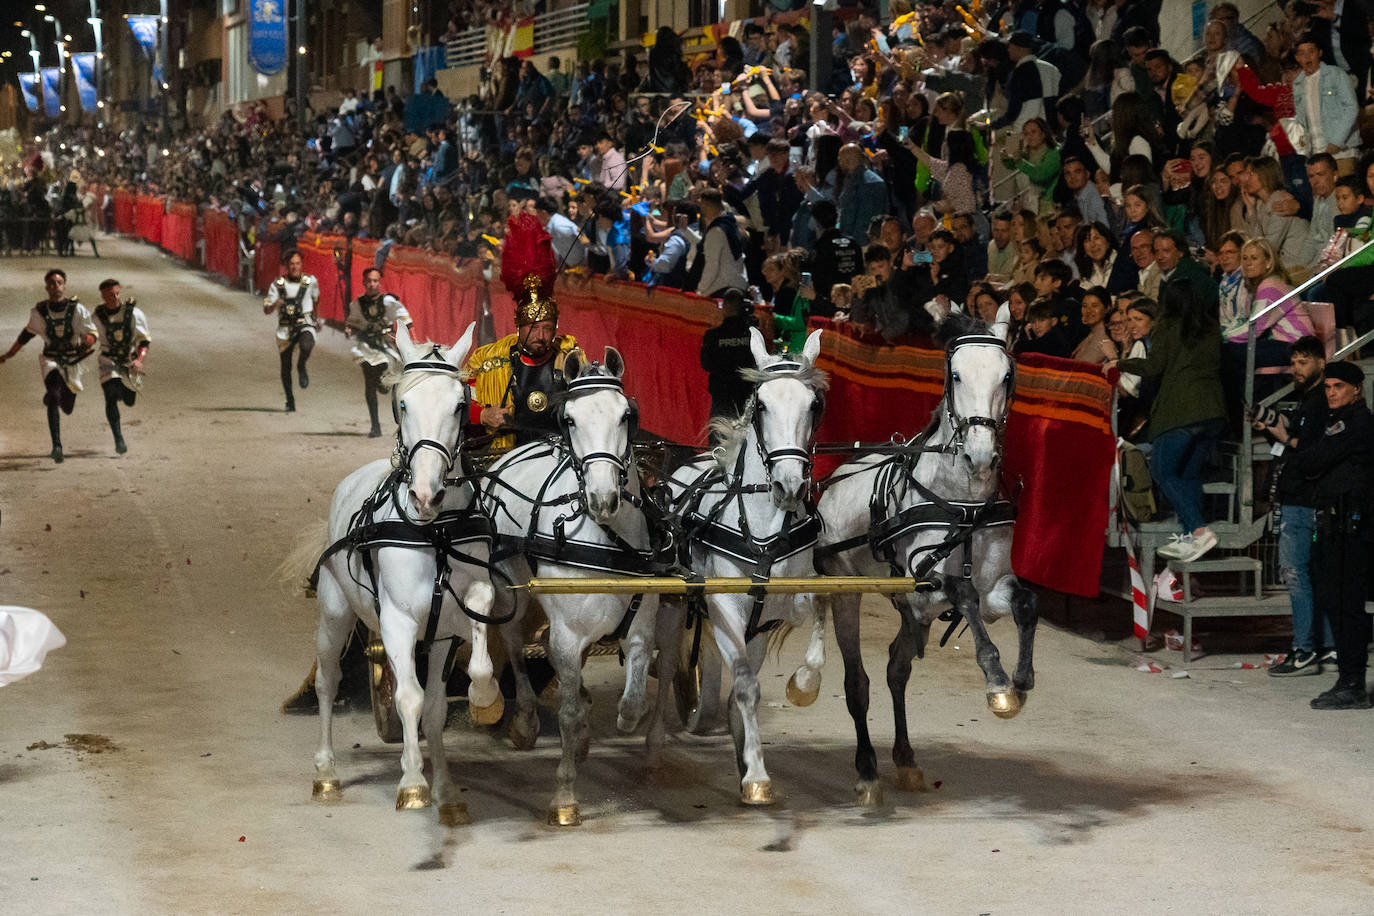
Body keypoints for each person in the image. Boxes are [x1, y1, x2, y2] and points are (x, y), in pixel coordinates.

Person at [1278, 360, 1374, 709]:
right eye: (1328, 386)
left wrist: (1308, 458)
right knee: (1336, 602)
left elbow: (1310, 461)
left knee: (1347, 606)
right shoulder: (1338, 421)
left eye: (1338, 386)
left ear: (1356, 389)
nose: (1331, 392)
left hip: (1352, 528)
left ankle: (1352, 682)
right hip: (1334, 526)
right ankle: (1347, 679)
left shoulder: (1356, 423)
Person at [1109, 278, 1226, 563]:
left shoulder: (1167, 328)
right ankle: (1191, 534)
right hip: (1212, 413)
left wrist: (1118, 362)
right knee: (1187, 475)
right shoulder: (1211, 328)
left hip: (1179, 415)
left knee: (1163, 473)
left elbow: (1153, 367)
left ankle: (1199, 531)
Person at [1255, 337, 1335, 677]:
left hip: (1303, 501)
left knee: (1295, 575)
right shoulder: (1310, 400)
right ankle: (1329, 649)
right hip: (1309, 500)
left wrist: (1285, 437)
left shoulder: (1318, 401)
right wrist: (1275, 428)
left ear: (1320, 361)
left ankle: (1303, 652)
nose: (1296, 369)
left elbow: (1308, 447)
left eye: (1303, 362)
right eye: (1294, 362)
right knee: (1315, 576)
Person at [466, 213, 579, 450]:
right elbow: (459, 402)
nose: (540, 336)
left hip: (561, 458)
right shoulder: (488, 360)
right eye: (534, 328)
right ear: (519, 327)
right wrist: (484, 415)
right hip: (505, 462)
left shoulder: (569, 358)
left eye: (547, 329)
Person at [0, 268, 98, 463]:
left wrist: (87, 341)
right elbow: (27, 335)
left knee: (67, 406)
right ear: (46, 287)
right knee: (53, 396)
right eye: (51, 283)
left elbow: (91, 333)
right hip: (50, 360)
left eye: (59, 282)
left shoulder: (77, 309)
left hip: (72, 361)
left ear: (64, 285)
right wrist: (10, 353)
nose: (55, 287)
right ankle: (57, 445)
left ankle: (60, 398)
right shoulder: (39, 312)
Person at [344, 267, 413, 438]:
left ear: (379, 282)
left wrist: (399, 333)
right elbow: (352, 323)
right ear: (364, 282)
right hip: (366, 347)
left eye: (375, 281)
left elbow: (406, 320)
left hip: (385, 346)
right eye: (369, 281)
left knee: (384, 376)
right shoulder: (357, 304)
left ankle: (383, 385)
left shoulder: (389, 301)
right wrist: (349, 329)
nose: (372, 284)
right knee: (369, 381)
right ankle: (375, 425)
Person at [93, 279, 150, 455]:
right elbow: (90, 335)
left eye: (117, 293)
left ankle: (124, 391)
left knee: (130, 401)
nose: (114, 298)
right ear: (103, 296)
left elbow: (144, 340)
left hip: (129, 360)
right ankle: (118, 439)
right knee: (110, 396)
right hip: (108, 359)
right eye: (109, 295)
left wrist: (139, 360)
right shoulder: (97, 317)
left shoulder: (134, 314)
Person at [263, 249, 320, 413]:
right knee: (285, 365)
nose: (295, 267)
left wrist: (316, 317)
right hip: (285, 327)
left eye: (298, 263)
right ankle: (290, 399)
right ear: (286, 266)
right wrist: (275, 304)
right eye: (292, 264)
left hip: (304, 322)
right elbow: (266, 309)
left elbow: (316, 298)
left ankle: (301, 365)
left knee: (307, 344)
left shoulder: (310, 281)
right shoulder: (277, 285)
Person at [700, 288, 756, 428]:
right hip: (747, 392)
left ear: (724, 307)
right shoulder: (753, 334)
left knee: (719, 439)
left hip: (722, 393)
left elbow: (706, 363)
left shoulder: (713, 335)